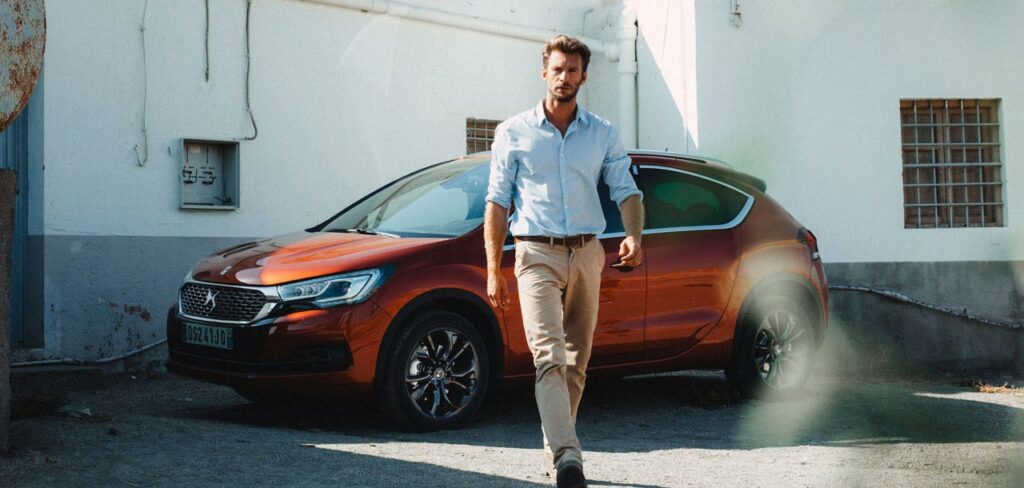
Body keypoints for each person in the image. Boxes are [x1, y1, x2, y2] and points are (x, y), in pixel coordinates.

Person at [483, 34, 644, 488]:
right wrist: (493, 269)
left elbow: (627, 189)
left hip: (588, 253)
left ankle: (556, 443)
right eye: (557, 69)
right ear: (544, 72)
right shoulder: (513, 132)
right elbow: (497, 202)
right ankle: (569, 458)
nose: (564, 77)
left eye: (572, 70)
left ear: (584, 77)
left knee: (576, 363)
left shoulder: (602, 133)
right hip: (535, 253)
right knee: (549, 357)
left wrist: (634, 234)